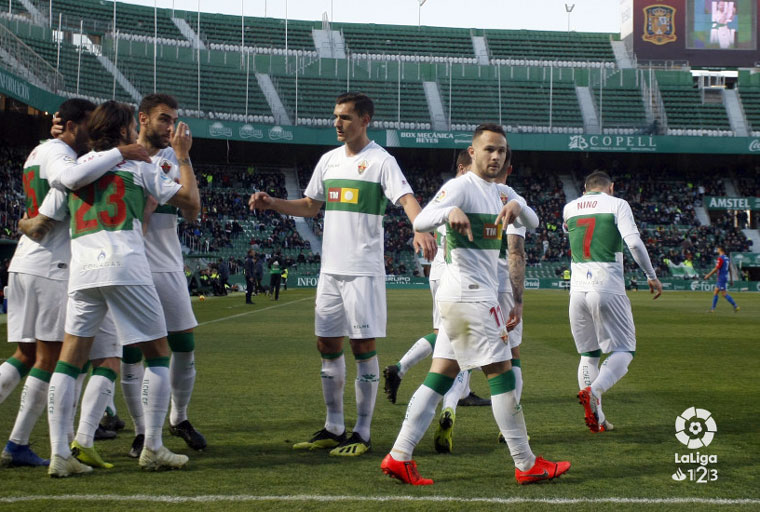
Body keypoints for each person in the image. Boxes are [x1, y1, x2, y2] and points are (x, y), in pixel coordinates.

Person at [381, 124, 568, 485]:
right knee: (502, 375)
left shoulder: (501, 192)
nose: (495, 156)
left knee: (440, 376)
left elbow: (535, 220)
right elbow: (420, 219)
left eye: (501, 151)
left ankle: (399, 455)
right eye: (488, 150)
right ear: (472, 153)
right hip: (469, 295)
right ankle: (526, 463)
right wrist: (447, 213)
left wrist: (518, 204)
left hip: (468, 296)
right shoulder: (461, 186)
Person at [250, 92, 435, 457]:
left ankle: (362, 433)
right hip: (330, 272)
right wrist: (273, 203)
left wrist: (420, 226)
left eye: (346, 117)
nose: (337, 123)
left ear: (366, 120)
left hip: (362, 272)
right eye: (335, 116)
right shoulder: (329, 161)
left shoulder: (381, 161)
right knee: (326, 345)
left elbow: (406, 198)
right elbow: (309, 206)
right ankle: (334, 426)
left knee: (362, 347)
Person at [37, 101, 199, 476]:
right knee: (158, 354)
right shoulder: (140, 166)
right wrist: (183, 158)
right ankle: (153, 446)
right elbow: (190, 202)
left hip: (83, 272)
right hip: (126, 265)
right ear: (125, 130)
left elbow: (47, 216)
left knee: (69, 361)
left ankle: (61, 454)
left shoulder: (74, 169)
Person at [0, 98, 148, 468]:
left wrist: (26, 222)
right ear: (71, 126)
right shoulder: (64, 157)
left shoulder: (39, 151)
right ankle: (33, 444)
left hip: (30, 260)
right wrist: (118, 152)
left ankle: (51, 441)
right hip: (53, 263)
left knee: (31, 356)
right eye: (88, 124)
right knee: (54, 359)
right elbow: (67, 180)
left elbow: (38, 214)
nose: (93, 131)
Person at [116, 94, 206, 458]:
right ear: (143, 118)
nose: (170, 127)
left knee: (183, 344)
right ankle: (141, 431)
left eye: (174, 120)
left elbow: (193, 211)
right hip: (129, 263)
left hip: (167, 263)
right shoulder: (118, 155)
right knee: (131, 351)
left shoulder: (173, 157)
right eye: (163, 119)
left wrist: (182, 159)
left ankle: (179, 418)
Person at [383, 150, 489, 411]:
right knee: (463, 336)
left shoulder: (447, 194)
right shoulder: (461, 191)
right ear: (464, 167)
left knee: (444, 334)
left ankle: (404, 370)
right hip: (455, 274)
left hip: (441, 272)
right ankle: (450, 401)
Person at [563, 170, 663, 434]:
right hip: (606, 284)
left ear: (585, 189)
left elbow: (569, 229)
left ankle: (598, 418)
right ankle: (594, 391)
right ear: (611, 187)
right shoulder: (617, 204)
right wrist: (651, 275)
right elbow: (634, 242)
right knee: (625, 350)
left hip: (577, 291)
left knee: (588, 355)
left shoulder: (569, 208)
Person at [704, 246, 739, 313]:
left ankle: (735, 306)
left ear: (721, 249)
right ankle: (712, 309)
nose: (717, 249)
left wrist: (708, 275)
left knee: (724, 294)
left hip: (721, 278)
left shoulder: (720, 258)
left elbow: (716, 268)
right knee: (716, 292)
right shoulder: (727, 258)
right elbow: (730, 269)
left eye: (718, 248)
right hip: (724, 277)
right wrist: (731, 279)